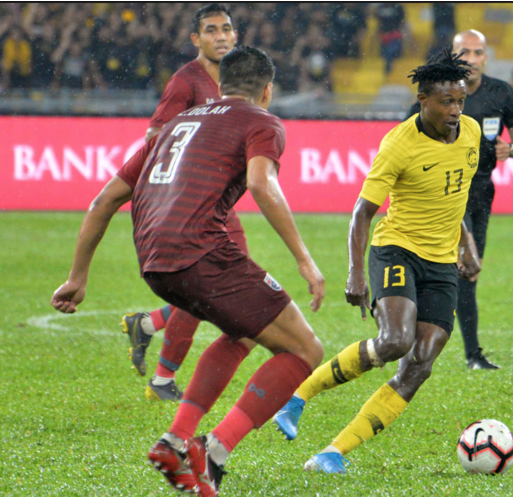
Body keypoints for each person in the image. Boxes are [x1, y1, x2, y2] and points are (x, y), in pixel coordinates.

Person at [51, 46, 325, 497]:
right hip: (200, 251)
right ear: (267, 90)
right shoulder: (262, 122)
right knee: (305, 350)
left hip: (154, 260)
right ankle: (212, 451)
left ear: (220, 85)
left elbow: (104, 201)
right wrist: (304, 259)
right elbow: (262, 183)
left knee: (244, 332)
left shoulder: (176, 125)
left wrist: (77, 278)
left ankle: (174, 441)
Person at [273, 48, 482, 474]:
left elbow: (453, 195)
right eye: (447, 102)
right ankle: (297, 397)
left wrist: (468, 244)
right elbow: (361, 213)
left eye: (460, 101)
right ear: (423, 100)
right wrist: (355, 273)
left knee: (420, 364)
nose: (456, 110)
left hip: (442, 263)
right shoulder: (399, 144)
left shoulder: (472, 133)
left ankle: (333, 453)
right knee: (395, 341)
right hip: (398, 250)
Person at [119, 4, 241, 402]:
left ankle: (149, 326)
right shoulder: (185, 82)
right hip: (195, 203)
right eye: (211, 30)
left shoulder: (235, 79)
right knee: (217, 287)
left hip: (219, 201)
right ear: (196, 39)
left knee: (219, 287)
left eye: (226, 29)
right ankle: (161, 379)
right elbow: (155, 136)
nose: (221, 36)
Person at [407, 30, 513, 370]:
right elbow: (408, 134)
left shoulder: (501, 92)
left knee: (468, 272)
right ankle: (416, 339)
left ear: (485, 57)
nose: (471, 59)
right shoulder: (439, 93)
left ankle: (469, 354)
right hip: (443, 193)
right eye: (465, 52)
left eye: (477, 53)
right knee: (447, 267)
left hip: (480, 195)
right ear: (454, 54)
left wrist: (510, 149)